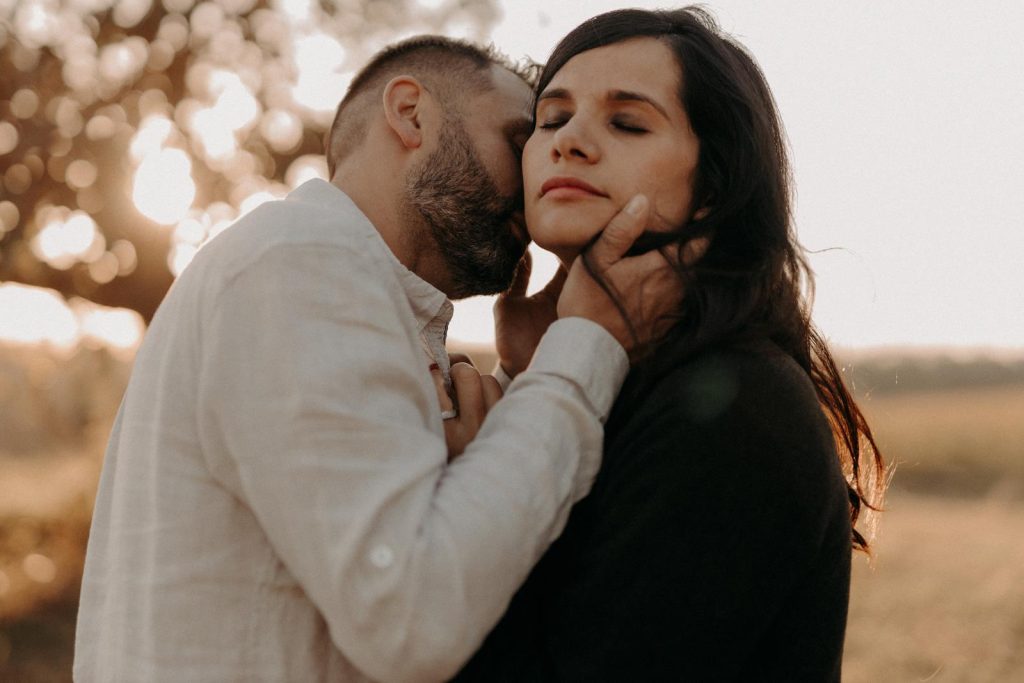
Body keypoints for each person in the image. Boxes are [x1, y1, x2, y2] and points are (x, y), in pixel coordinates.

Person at [73, 36, 683, 682]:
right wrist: (584, 344)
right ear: (411, 114)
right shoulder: (300, 262)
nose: (535, 172)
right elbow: (411, 616)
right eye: (517, 138)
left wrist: (522, 376)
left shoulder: (357, 292)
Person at [455, 8, 887, 681]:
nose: (570, 141)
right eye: (551, 119)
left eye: (627, 122)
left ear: (715, 184)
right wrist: (534, 381)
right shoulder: (613, 379)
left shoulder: (735, 405)